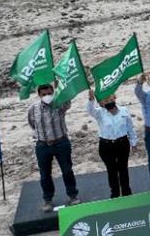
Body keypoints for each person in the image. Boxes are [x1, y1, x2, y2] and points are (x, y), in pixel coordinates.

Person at [28, 83, 79, 212]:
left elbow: (68, 102)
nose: (47, 96)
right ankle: (48, 200)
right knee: (45, 174)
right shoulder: (33, 109)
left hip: (61, 142)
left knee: (67, 170)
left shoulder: (59, 104)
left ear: (53, 93)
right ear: (39, 95)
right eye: (43, 94)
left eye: (49, 93)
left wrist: (60, 88)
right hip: (42, 145)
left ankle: (73, 196)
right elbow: (32, 124)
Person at [86, 89, 138, 198]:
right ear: (102, 102)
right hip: (106, 146)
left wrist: (134, 142)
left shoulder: (124, 110)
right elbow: (90, 110)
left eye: (110, 98)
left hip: (122, 144)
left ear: (115, 98)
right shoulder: (99, 112)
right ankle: (114, 193)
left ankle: (126, 193)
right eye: (105, 100)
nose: (108, 101)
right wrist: (91, 99)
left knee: (123, 169)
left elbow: (130, 127)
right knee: (111, 170)